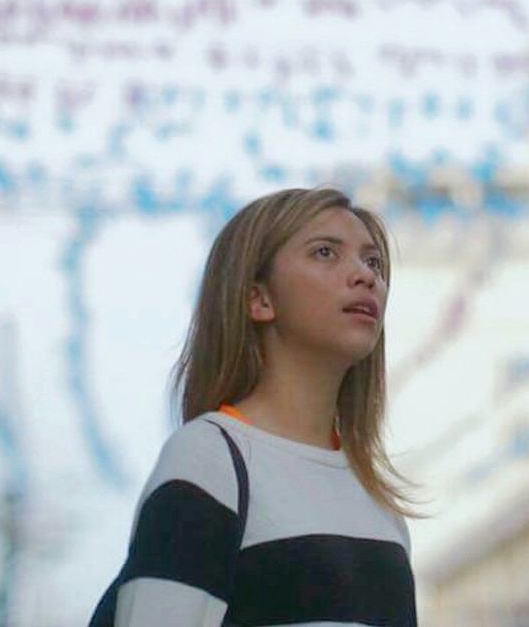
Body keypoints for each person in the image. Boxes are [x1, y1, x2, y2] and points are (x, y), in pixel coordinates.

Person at [88, 187, 424, 627]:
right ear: (258, 299)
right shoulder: (209, 459)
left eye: (374, 261)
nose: (364, 275)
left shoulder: (380, 502)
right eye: (325, 253)